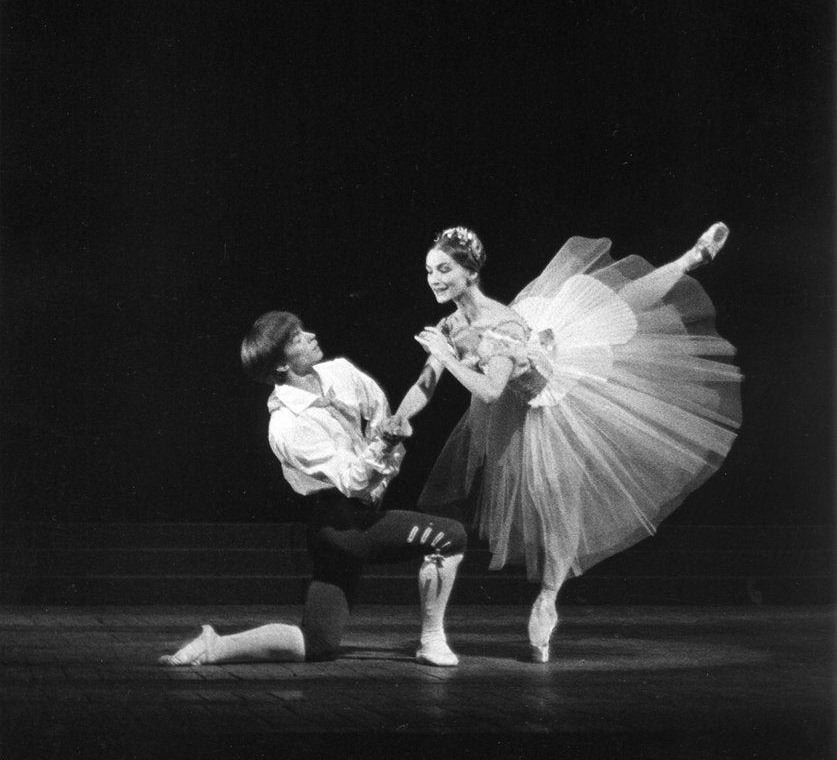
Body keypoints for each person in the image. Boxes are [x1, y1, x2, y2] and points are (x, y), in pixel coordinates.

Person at [389, 223, 742, 662]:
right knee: (445, 498)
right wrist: (399, 417)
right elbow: (427, 381)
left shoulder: (502, 325)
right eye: (428, 271)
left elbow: (491, 391)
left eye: (443, 269)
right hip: (515, 402)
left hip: (553, 404)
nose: (435, 280)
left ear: (470, 273)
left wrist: (445, 355)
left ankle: (548, 596)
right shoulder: (454, 321)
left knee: (559, 506)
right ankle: (438, 628)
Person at [158, 311, 466, 668]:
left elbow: (382, 413)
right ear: (280, 367)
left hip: (355, 513)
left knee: (317, 641)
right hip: (341, 524)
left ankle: (213, 647)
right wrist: (383, 446)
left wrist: (435, 363)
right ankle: (431, 640)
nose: (311, 335)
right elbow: (352, 480)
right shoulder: (287, 425)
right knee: (451, 536)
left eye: (302, 330)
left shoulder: (340, 373)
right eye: (296, 338)